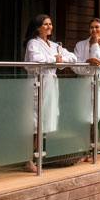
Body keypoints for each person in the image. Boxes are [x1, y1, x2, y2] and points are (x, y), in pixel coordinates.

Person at [23, 13, 75, 172]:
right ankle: (27, 160)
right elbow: (36, 59)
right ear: (37, 27)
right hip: (37, 84)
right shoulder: (33, 43)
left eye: (50, 24)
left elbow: (72, 57)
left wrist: (59, 59)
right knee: (34, 124)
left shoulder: (54, 45)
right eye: (45, 24)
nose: (49, 27)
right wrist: (55, 59)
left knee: (45, 123)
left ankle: (37, 157)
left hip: (51, 85)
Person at [72, 18, 100, 160]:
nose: (94, 30)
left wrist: (95, 44)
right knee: (82, 116)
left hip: (99, 82)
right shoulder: (80, 45)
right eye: (91, 27)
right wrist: (87, 64)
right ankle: (83, 149)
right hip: (82, 83)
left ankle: (93, 148)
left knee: (94, 116)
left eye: (97, 27)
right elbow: (76, 67)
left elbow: (98, 61)